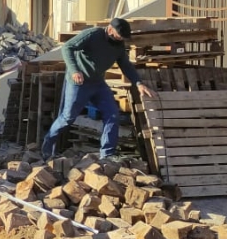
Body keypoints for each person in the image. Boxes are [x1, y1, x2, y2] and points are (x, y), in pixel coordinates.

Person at [41, 17, 156, 160]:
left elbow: (125, 65)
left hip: (98, 83)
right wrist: (75, 70)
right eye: (119, 36)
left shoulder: (118, 45)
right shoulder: (93, 35)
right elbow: (67, 47)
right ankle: (47, 147)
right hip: (79, 83)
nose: (121, 40)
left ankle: (107, 155)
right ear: (110, 29)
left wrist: (139, 83)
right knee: (67, 118)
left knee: (112, 114)